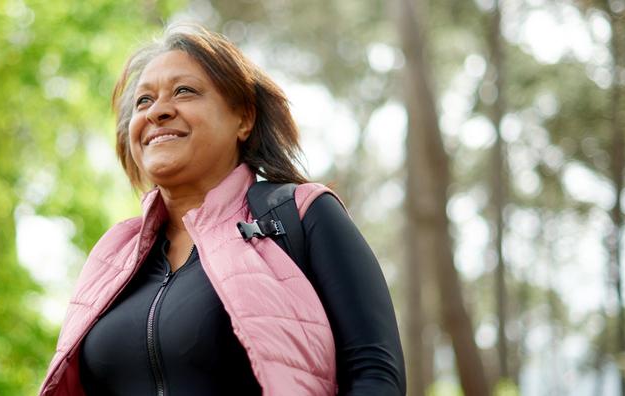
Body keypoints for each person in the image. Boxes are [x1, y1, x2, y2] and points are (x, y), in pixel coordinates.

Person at [39, 24, 405, 396]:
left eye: (184, 91)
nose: (158, 112)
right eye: (143, 101)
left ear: (243, 119)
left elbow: (375, 375)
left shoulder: (301, 215)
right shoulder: (112, 254)